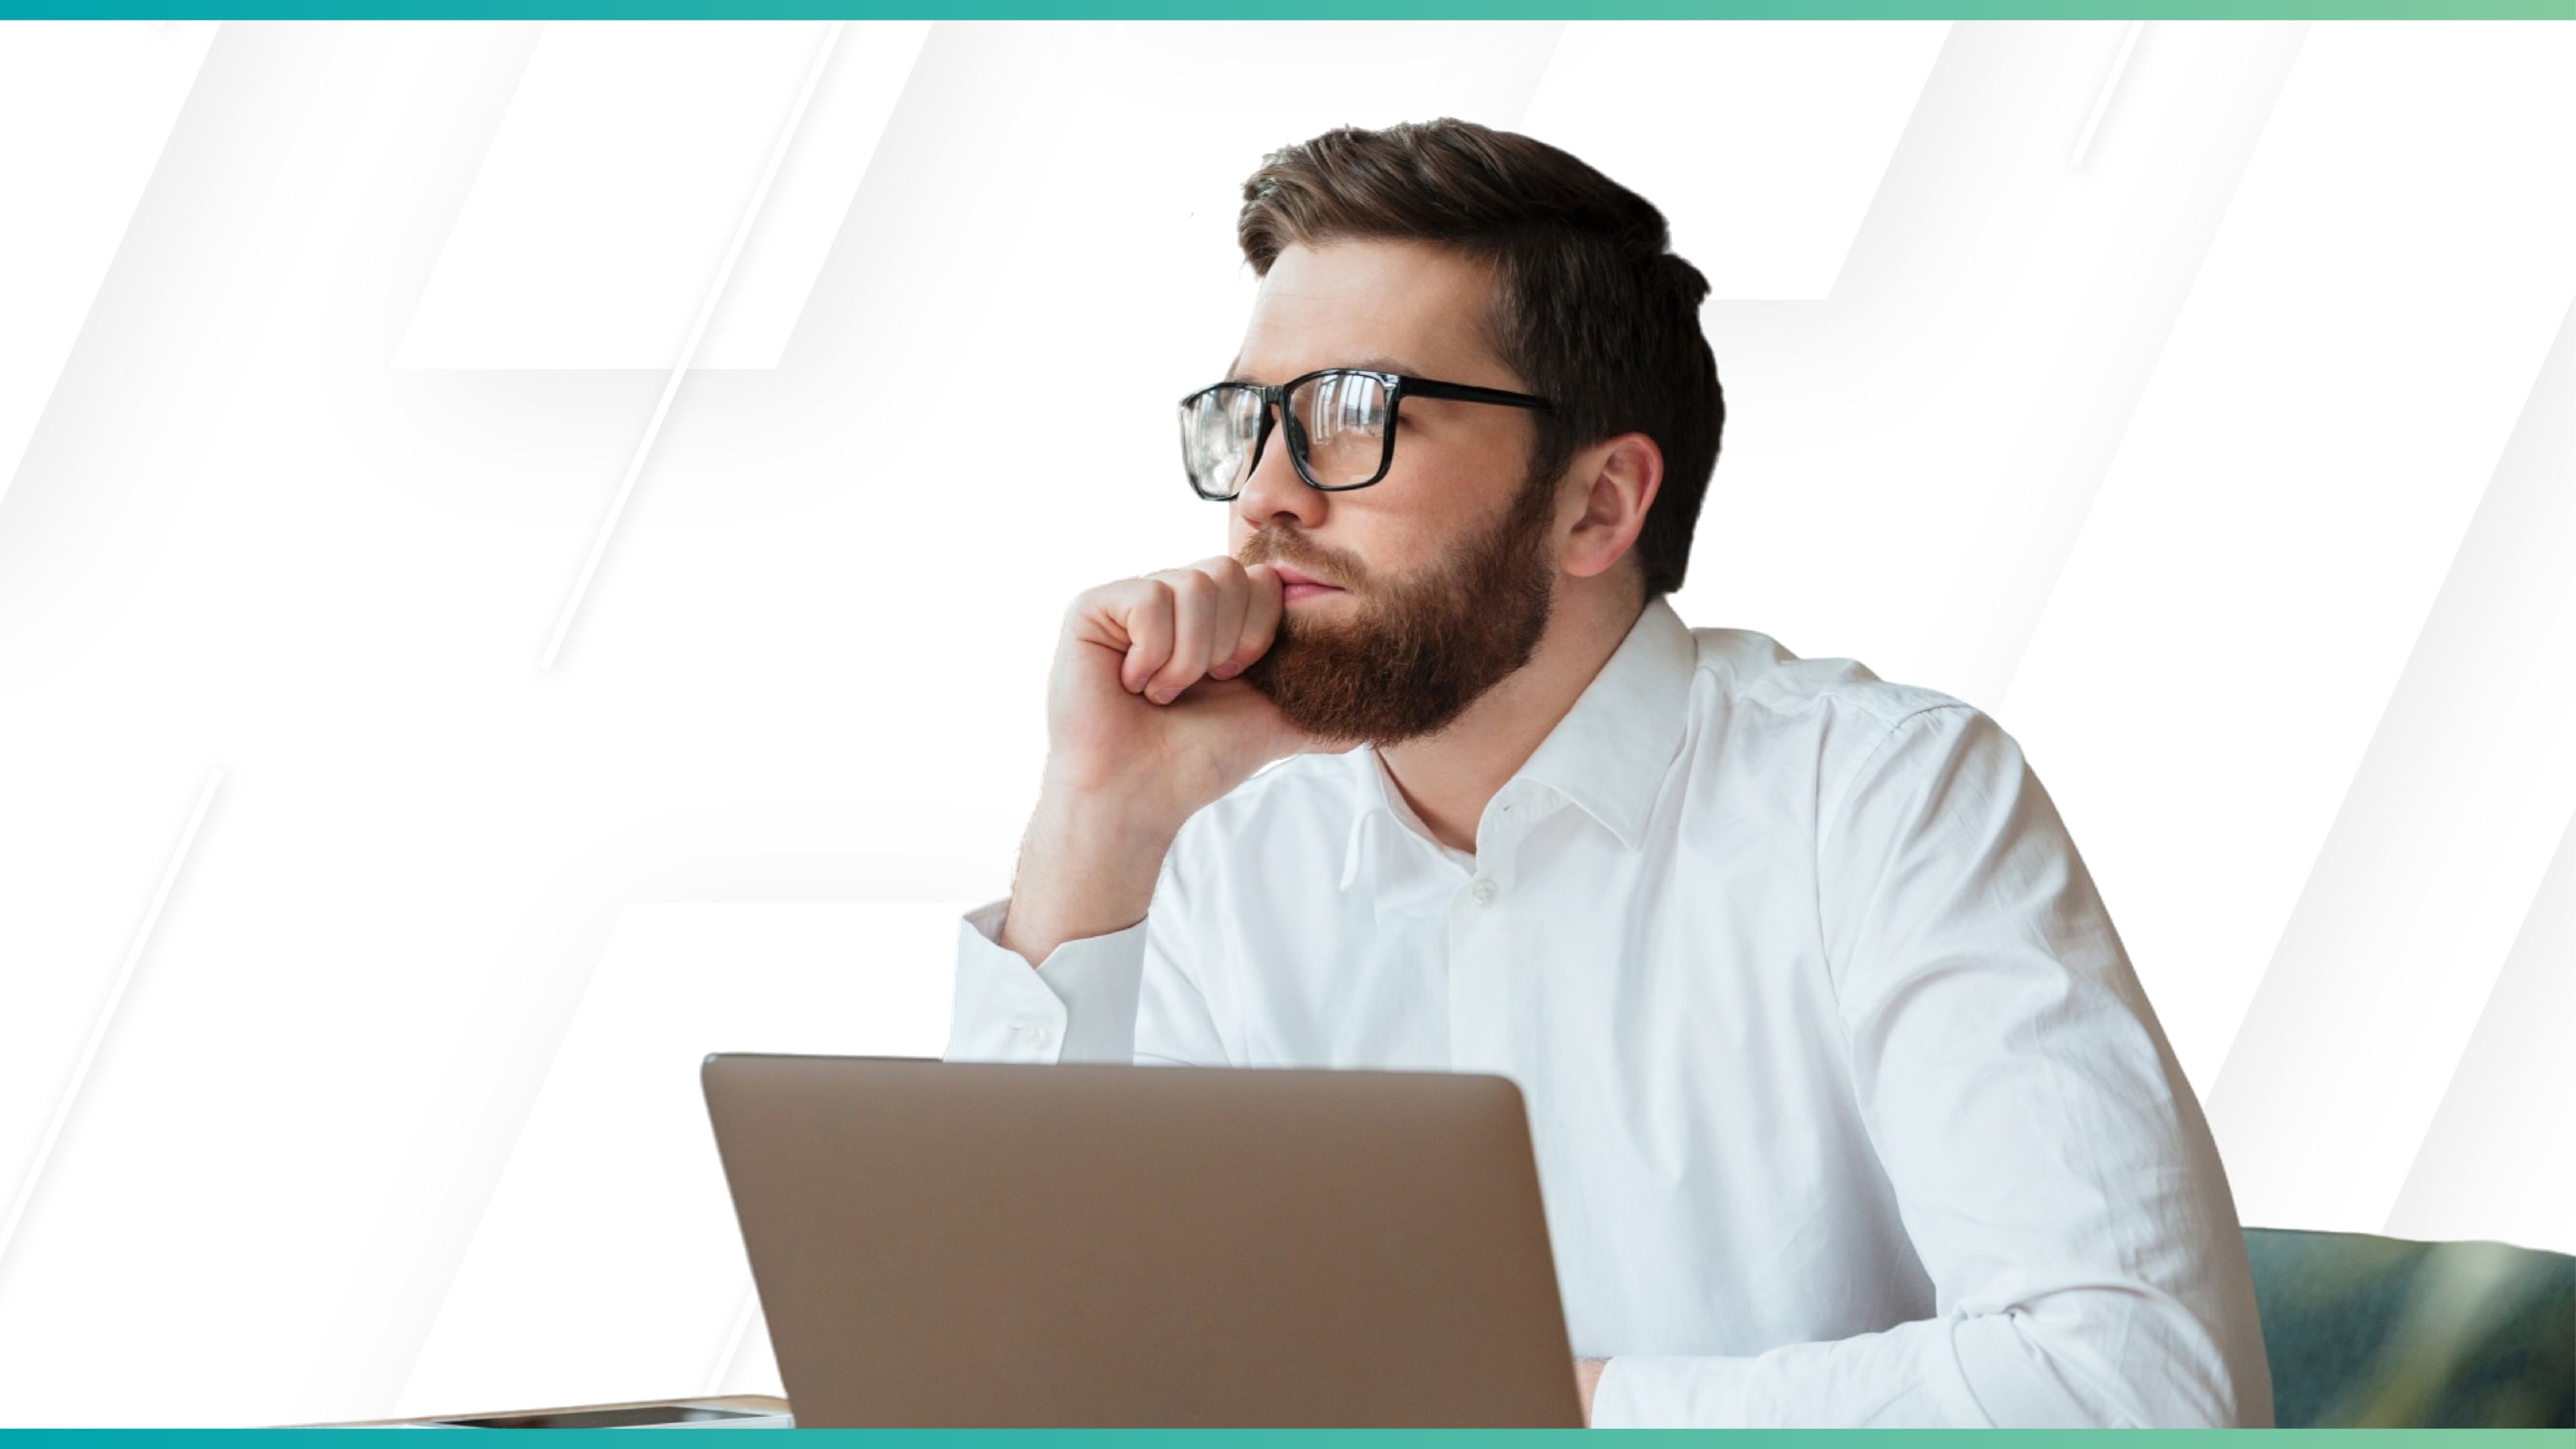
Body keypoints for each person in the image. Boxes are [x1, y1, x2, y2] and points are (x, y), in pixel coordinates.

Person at [943, 118, 2270, 1429]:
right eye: (1249, 418)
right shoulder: (1220, 849)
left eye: (1356, 415)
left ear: (1597, 507)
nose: (1265, 497)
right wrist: (1097, 820)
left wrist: (1525, 1411)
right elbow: (992, 1384)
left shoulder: (1883, 803)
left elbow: (2138, 1393)